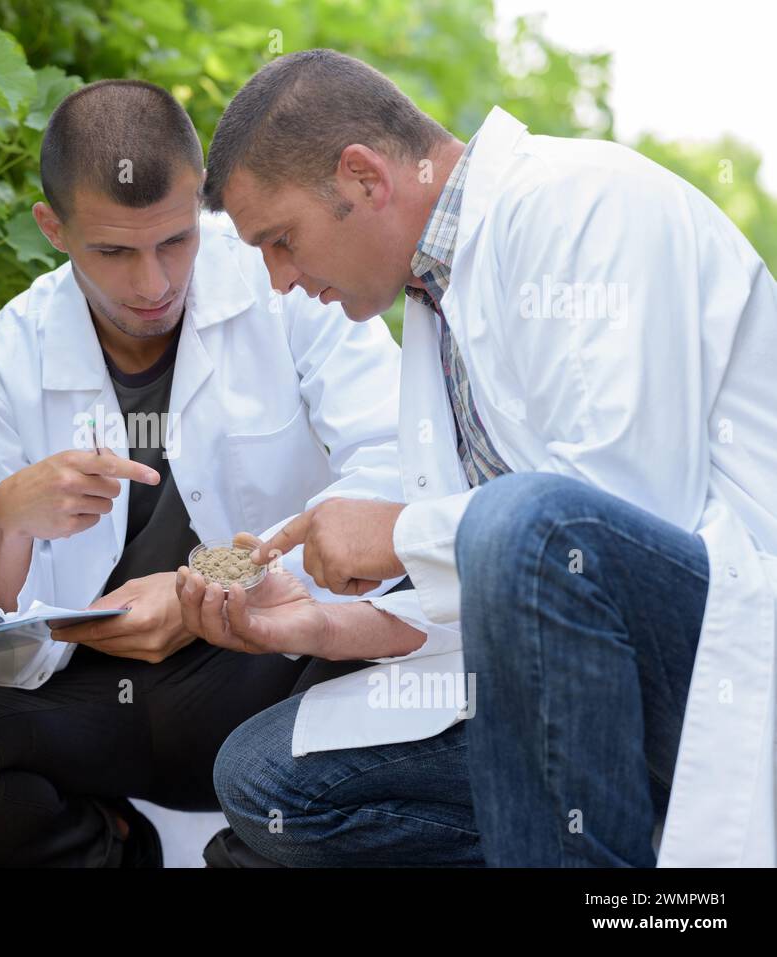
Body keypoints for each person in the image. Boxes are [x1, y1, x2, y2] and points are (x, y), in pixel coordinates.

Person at [180, 48, 777, 867]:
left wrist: (397, 533)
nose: (279, 280)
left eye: (281, 241)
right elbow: (506, 586)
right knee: (264, 781)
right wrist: (332, 624)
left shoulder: (587, 205)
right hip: (582, 681)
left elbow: (601, 524)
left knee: (524, 522)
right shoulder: (435, 297)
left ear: (360, 176)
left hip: (725, 653)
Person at [0, 79, 428, 867]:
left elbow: (399, 468)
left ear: (204, 203)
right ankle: (119, 850)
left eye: (176, 241)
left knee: (411, 631)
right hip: (90, 701)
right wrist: (4, 531)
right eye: (114, 252)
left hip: (268, 674)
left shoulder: (291, 284)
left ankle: (251, 851)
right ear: (53, 228)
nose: (153, 283)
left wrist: (208, 586)